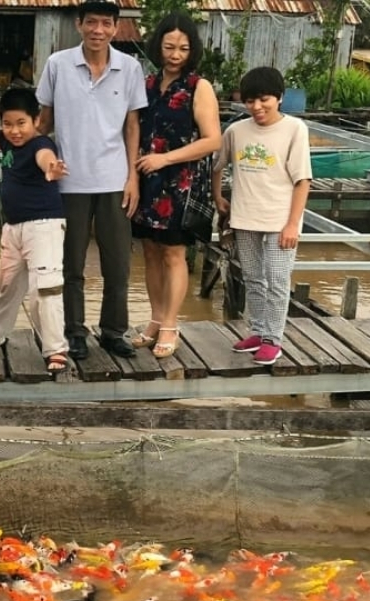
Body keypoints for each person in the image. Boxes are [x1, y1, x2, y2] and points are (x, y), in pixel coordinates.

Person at [35, 0, 147, 361]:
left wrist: (133, 177)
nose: (98, 30)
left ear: (116, 28)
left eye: (106, 24)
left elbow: (132, 126)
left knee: (118, 264)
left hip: (115, 180)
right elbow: (44, 123)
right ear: (79, 24)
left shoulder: (129, 67)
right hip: (69, 182)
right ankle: (74, 332)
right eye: (92, 23)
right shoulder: (58, 65)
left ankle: (114, 332)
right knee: (71, 265)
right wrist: (15, 142)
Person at [130, 13, 221, 359]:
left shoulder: (200, 87)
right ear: (158, 46)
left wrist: (165, 160)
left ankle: (170, 324)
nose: (175, 53)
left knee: (173, 253)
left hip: (181, 182)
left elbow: (212, 140)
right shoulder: (148, 84)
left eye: (183, 48)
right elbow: (134, 130)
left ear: (192, 50)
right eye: (169, 46)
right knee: (150, 252)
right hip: (147, 179)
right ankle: (155, 320)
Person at [213, 66, 312, 367]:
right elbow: (217, 166)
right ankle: (257, 331)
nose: (256, 107)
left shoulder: (295, 129)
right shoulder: (235, 131)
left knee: (278, 280)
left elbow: (303, 180)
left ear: (280, 98)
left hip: (281, 222)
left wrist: (293, 223)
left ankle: (273, 339)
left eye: (264, 99)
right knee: (253, 279)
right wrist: (218, 197)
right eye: (250, 101)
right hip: (245, 219)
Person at [0, 88, 69, 374]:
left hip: (43, 227)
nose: (14, 131)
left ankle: (56, 348)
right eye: (8, 123)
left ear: (36, 120)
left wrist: (52, 169)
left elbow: (46, 158)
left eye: (21, 123)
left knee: (45, 288)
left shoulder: (40, 145)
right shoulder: (9, 143)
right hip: (12, 227)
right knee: (8, 284)